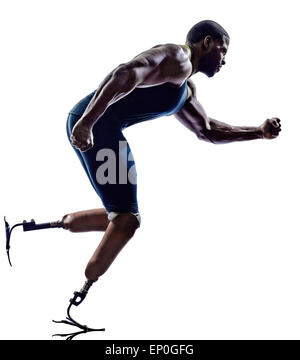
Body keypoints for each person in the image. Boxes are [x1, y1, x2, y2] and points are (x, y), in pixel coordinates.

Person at [62, 20, 281, 283]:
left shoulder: (185, 89)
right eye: (223, 51)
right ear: (208, 42)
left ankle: (45, 225)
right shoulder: (178, 58)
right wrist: (87, 123)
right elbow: (124, 73)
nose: (224, 61)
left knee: (122, 214)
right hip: (98, 126)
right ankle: (80, 294)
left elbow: (207, 130)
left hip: (102, 127)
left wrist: (258, 131)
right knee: (126, 220)